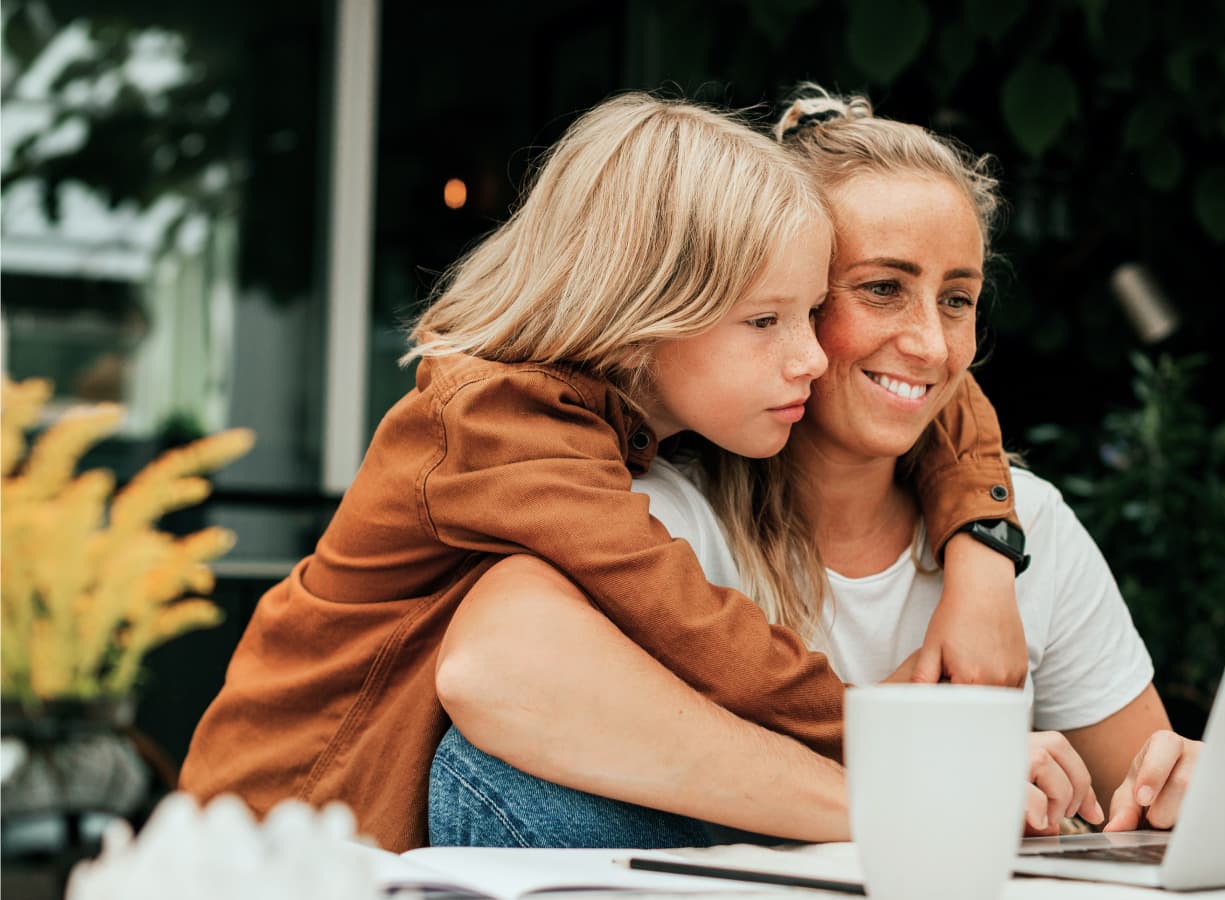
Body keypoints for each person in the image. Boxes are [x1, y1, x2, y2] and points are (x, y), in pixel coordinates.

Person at [179, 93, 1033, 852]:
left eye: (811, 314)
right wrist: (903, 748)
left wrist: (981, 550)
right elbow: (689, 623)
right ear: (646, 317)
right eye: (768, 320)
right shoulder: (498, 425)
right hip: (291, 835)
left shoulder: (614, 406)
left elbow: (933, 381)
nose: (810, 356)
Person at [427, 88, 1202, 850]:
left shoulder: (1028, 529)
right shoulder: (657, 506)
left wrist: (1187, 786)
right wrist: (916, 784)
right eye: (880, 289)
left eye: (958, 299)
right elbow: (493, 665)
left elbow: (1138, 798)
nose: (931, 345)